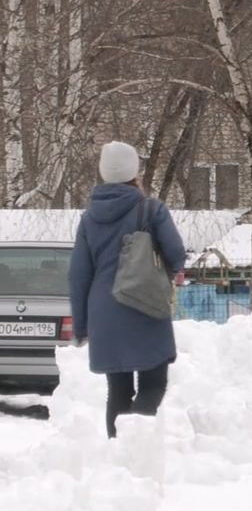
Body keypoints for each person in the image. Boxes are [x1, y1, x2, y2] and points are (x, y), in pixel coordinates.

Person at [68, 141, 187, 438]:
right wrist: (162, 274)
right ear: (134, 171)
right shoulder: (151, 209)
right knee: (154, 384)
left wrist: (82, 327)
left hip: (104, 311)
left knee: (118, 391)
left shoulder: (89, 218)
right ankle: (136, 441)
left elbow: (78, 275)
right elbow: (176, 254)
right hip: (144, 304)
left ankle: (118, 451)